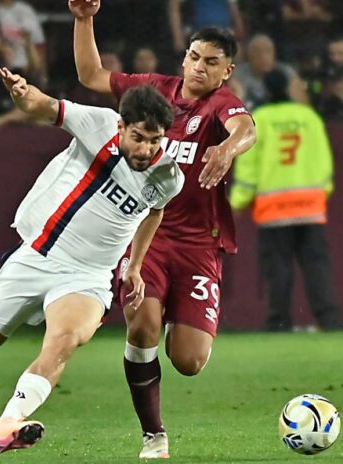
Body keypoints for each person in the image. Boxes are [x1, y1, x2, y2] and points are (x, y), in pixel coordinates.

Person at [0, 67, 184, 458]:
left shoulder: (167, 175)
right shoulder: (98, 123)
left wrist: (134, 266)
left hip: (88, 277)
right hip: (37, 256)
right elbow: (45, 106)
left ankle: (8, 422)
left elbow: (154, 212)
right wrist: (22, 93)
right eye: (138, 137)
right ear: (122, 126)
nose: (145, 150)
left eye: (155, 140)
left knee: (63, 341)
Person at [69, 0, 256, 458]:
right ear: (184, 57)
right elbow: (91, 75)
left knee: (189, 361)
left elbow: (246, 128)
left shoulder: (221, 104)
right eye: (194, 56)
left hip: (199, 246)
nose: (200, 67)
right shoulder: (155, 92)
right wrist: (84, 19)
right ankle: (153, 433)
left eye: (211, 61)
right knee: (142, 326)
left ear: (227, 70)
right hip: (146, 237)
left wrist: (228, 148)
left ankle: (181, 321)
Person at [230, 69, 341, 332]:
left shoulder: (260, 120)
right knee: (316, 265)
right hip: (310, 205)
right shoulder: (309, 117)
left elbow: (248, 166)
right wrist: (323, 191)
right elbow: (325, 160)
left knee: (278, 269)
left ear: (266, 90)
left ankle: (278, 323)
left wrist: (237, 202)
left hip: (274, 209)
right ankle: (329, 321)